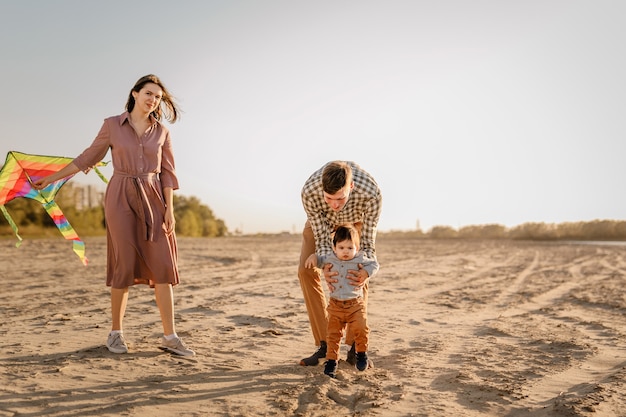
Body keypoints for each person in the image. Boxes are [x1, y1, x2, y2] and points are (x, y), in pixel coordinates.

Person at [34, 74, 194, 356]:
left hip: (154, 196)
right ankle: (116, 333)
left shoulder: (162, 132)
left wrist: (170, 209)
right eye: (148, 93)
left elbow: (168, 173)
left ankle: (170, 336)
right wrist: (52, 179)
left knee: (163, 265)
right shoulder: (112, 125)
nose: (152, 100)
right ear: (134, 94)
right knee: (124, 263)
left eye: (157, 97)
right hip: (120, 195)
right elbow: (87, 158)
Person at [298, 160, 382, 366]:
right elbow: (321, 238)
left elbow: (369, 244)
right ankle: (325, 343)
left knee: (359, 272)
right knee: (305, 270)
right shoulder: (309, 192)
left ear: (351, 187)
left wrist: (367, 271)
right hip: (322, 224)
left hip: (355, 224)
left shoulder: (371, 193)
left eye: (340, 198)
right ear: (321, 191)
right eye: (329, 198)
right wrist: (327, 266)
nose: (334, 204)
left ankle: (356, 347)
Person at [305, 225, 379, 378]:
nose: (345, 251)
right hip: (335, 306)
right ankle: (331, 361)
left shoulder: (360, 258)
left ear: (356, 248)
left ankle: (361, 353)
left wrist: (366, 272)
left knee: (361, 329)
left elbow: (375, 264)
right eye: (341, 247)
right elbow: (319, 260)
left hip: (355, 305)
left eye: (350, 247)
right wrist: (313, 257)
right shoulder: (330, 258)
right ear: (334, 247)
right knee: (333, 335)